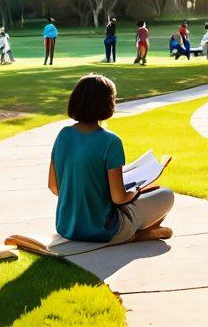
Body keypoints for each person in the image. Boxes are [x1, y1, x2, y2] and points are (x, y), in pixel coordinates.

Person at [48, 74, 174, 244]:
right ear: (106, 104)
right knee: (166, 195)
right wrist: (135, 190)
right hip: (103, 229)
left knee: (149, 195)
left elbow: (54, 187)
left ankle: (140, 232)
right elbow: (118, 198)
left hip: (66, 227)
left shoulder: (63, 135)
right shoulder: (111, 141)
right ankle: (138, 235)